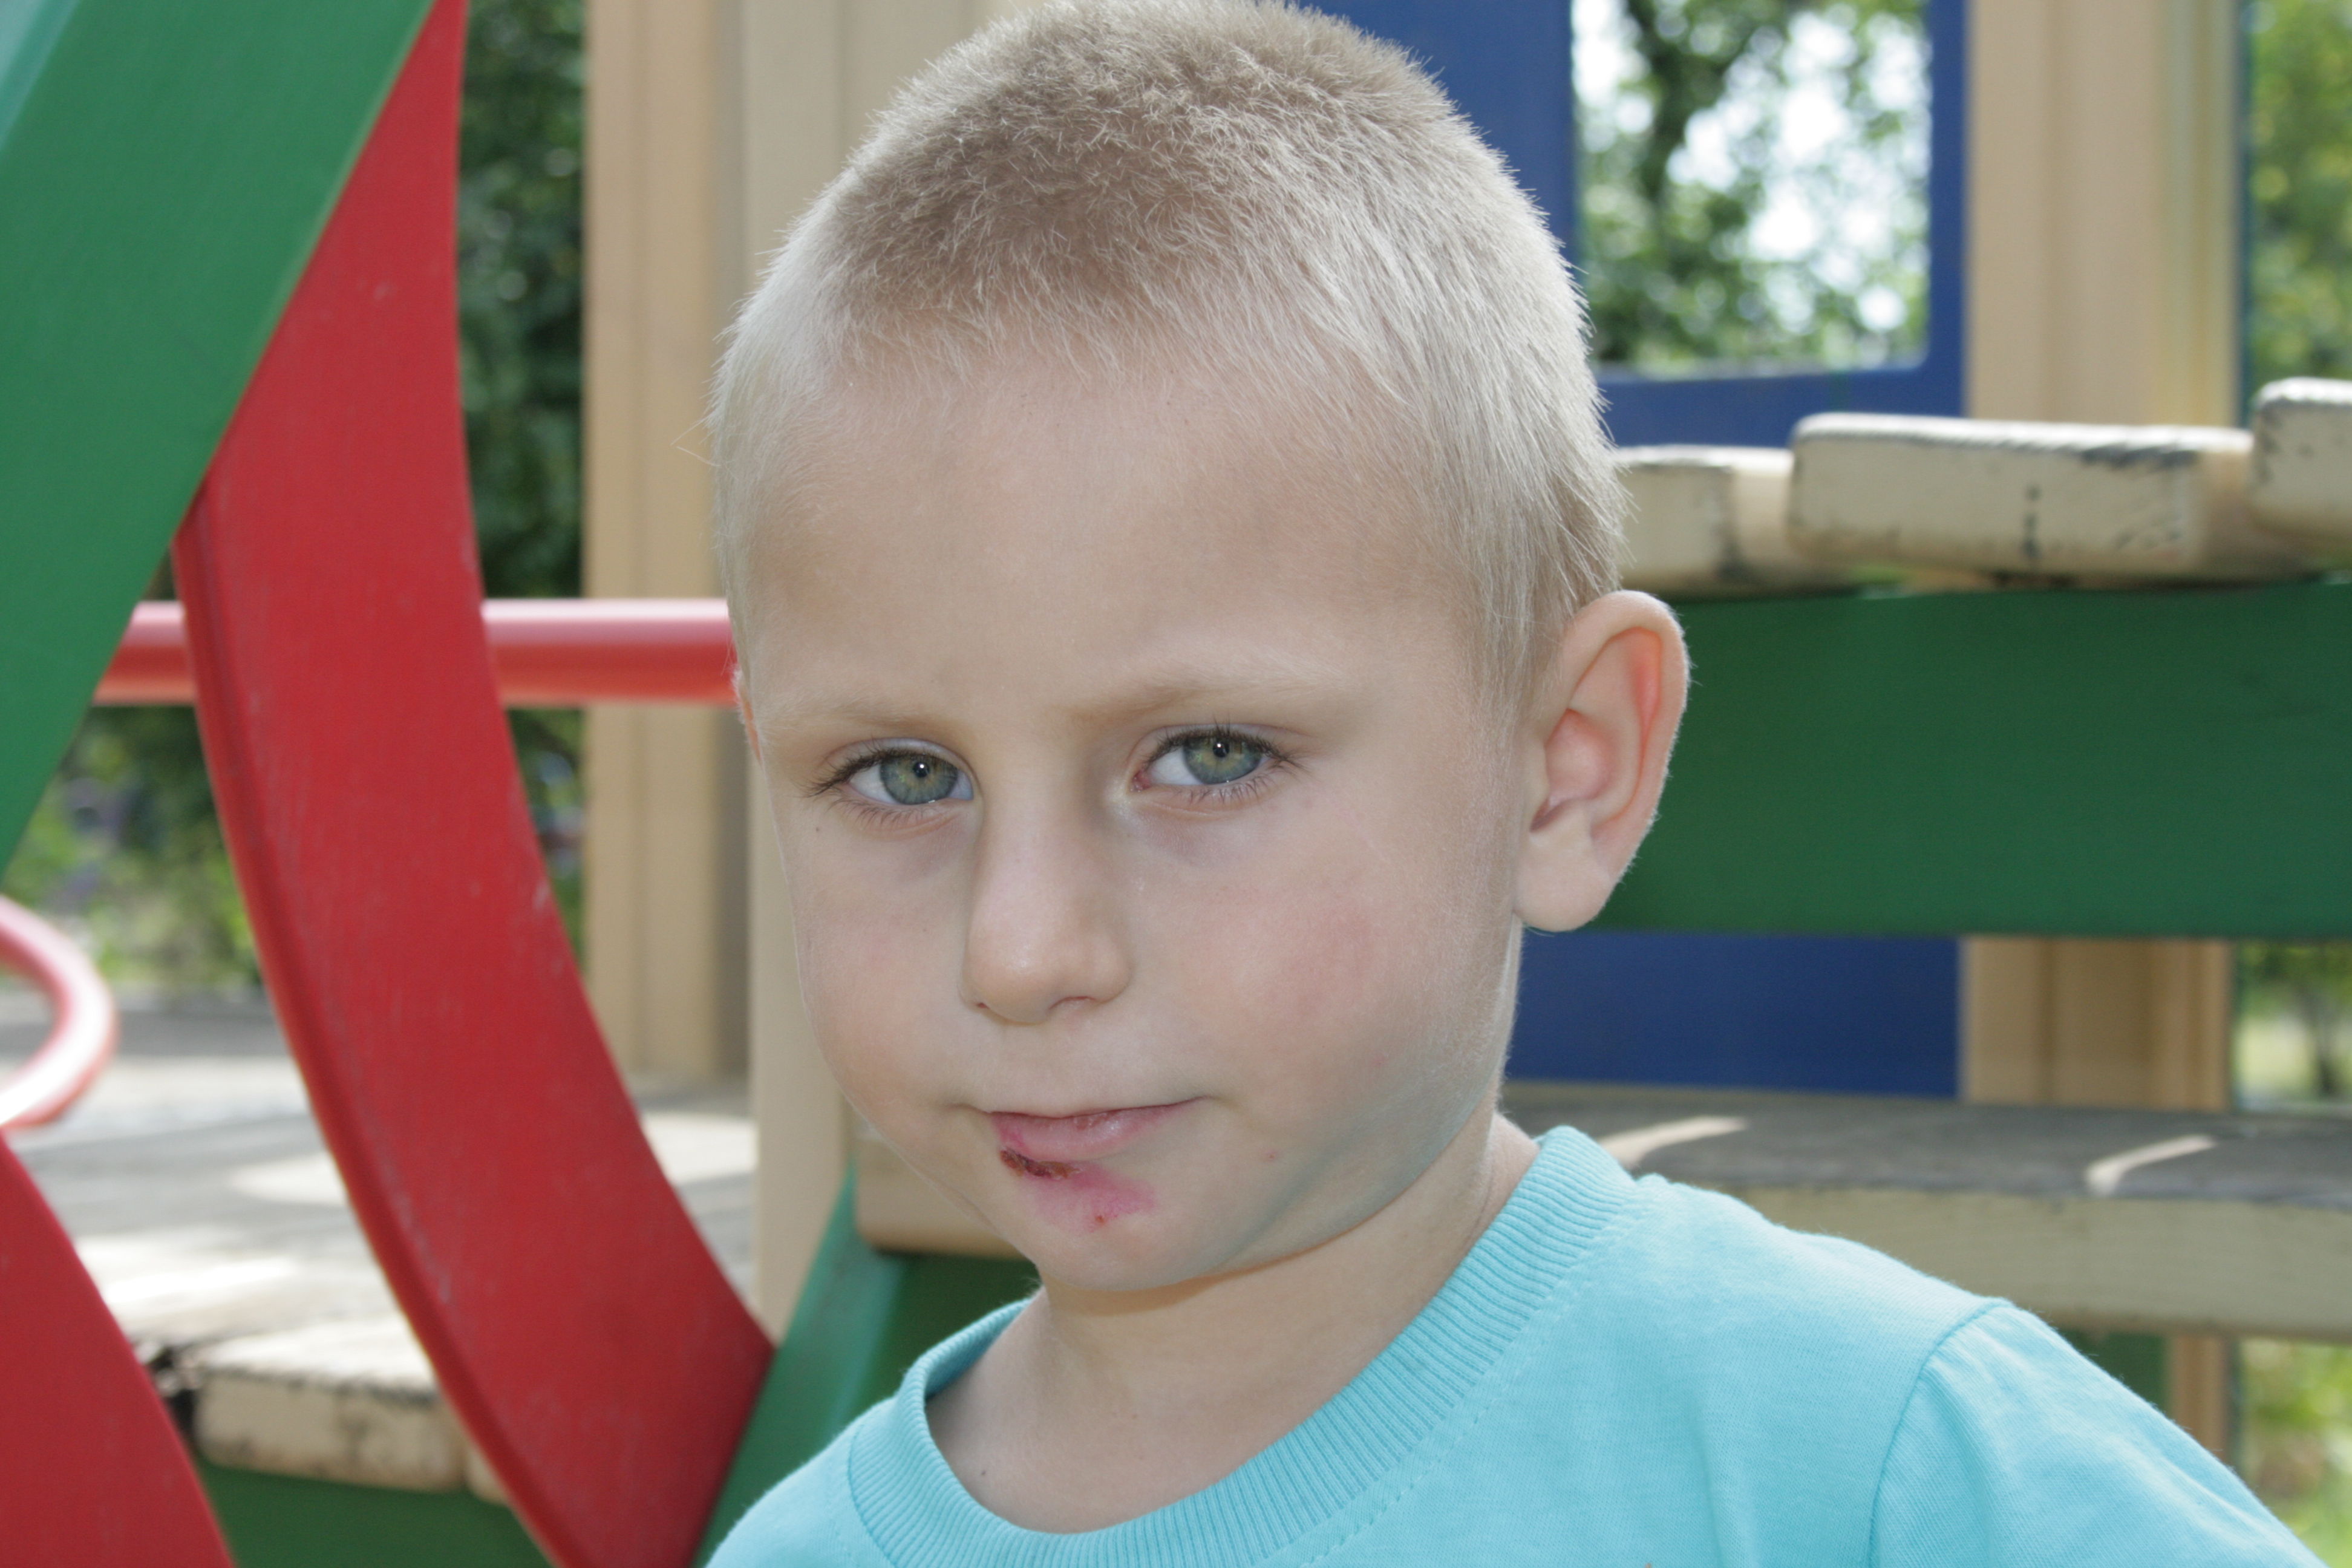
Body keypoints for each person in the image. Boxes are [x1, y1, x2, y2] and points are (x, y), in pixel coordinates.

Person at [704, 2, 2315, 1561]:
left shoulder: (1884, 1473)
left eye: (1208, 757)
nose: (1021, 948)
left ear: (1563, 773)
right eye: (904, 773)